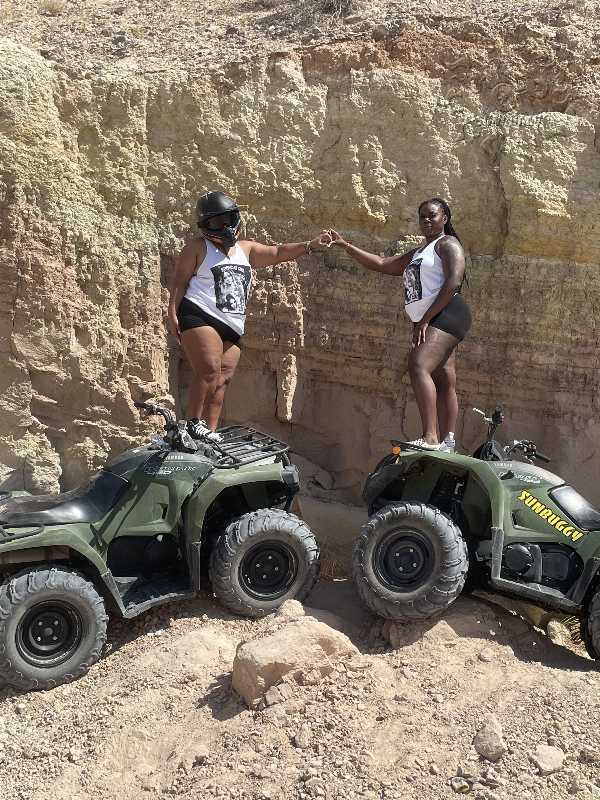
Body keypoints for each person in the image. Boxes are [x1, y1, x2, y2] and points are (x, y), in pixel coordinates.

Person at [167, 190, 328, 442]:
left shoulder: (246, 249)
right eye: (216, 222)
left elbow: (278, 252)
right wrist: (172, 313)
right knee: (209, 370)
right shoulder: (197, 247)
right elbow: (179, 282)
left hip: (232, 324)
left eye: (227, 219)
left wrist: (310, 245)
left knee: (222, 380)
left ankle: (208, 434)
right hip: (199, 314)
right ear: (205, 225)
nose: (224, 227)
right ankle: (191, 425)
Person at [325, 198, 471, 451]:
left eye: (432, 215)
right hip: (435, 317)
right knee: (444, 378)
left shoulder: (448, 244)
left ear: (445, 218)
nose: (426, 220)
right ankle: (448, 442)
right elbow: (382, 264)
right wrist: (345, 245)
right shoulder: (419, 252)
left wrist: (425, 320)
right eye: (422, 216)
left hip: (447, 313)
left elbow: (453, 282)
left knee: (418, 365)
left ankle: (430, 437)